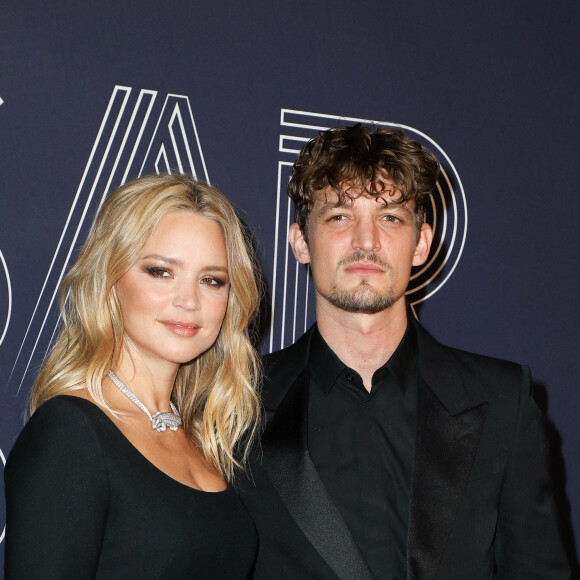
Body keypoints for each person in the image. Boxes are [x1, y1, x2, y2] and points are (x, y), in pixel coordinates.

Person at [236, 124, 570, 579]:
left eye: (390, 217)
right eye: (339, 216)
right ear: (299, 242)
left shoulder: (503, 403)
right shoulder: (236, 401)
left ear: (422, 243)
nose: (366, 241)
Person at [5, 173, 261, 579]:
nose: (189, 300)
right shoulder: (72, 433)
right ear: (111, 278)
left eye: (212, 280)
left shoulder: (203, 436)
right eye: (161, 271)